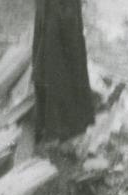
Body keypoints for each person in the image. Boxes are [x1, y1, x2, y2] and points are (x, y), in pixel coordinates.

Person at [32, 0, 95, 143]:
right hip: (52, 12)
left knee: (65, 59)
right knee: (49, 61)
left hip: (62, 12)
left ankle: (63, 126)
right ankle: (50, 125)